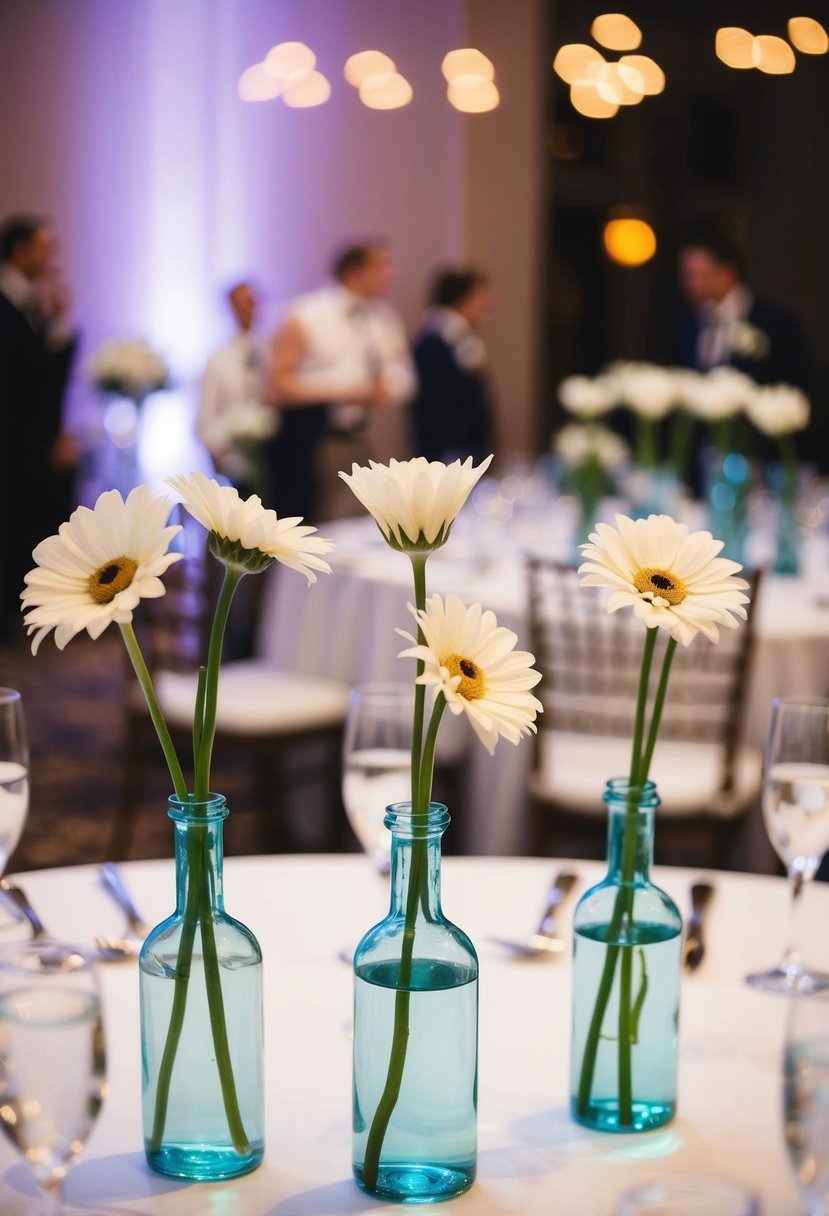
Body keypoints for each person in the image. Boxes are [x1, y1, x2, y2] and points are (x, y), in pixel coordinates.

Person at [267, 242, 415, 521]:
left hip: (360, 437)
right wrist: (343, 389)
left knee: (358, 522)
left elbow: (403, 373)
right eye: (381, 266)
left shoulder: (384, 318)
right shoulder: (305, 313)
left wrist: (387, 387)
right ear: (353, 271)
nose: (390, 274)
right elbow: (277, 384)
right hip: (307, 440)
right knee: (306, 526)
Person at [0, 213, 78, 638]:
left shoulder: (29, 302)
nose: (52, 259)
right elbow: (25, 385)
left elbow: (41, 381)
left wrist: (56, 322)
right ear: (21, 251)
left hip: (29, 441)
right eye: (45, 249)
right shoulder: (8, 303)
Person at [676, 226, 816, 394]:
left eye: (699, 275)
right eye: (687, 276)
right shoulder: (688, 326)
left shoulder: (776, 322)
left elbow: (799, 386)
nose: (692, 285)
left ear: (727, 272)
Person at [197, 280, 275, 499]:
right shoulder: (218, 360)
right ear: (230, 307)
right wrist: (220, 453)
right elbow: (206, 417)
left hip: (273, 453)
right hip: (233, 457)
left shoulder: (271, 352)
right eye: (243, 302)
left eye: (253, 302)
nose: (249, 308)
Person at [411, 268, 494, 464]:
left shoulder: (460, 337)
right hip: (449, 452)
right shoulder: (436, 339)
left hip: (463, 447)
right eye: (482, 296)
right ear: (462, 298)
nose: (488, 305)